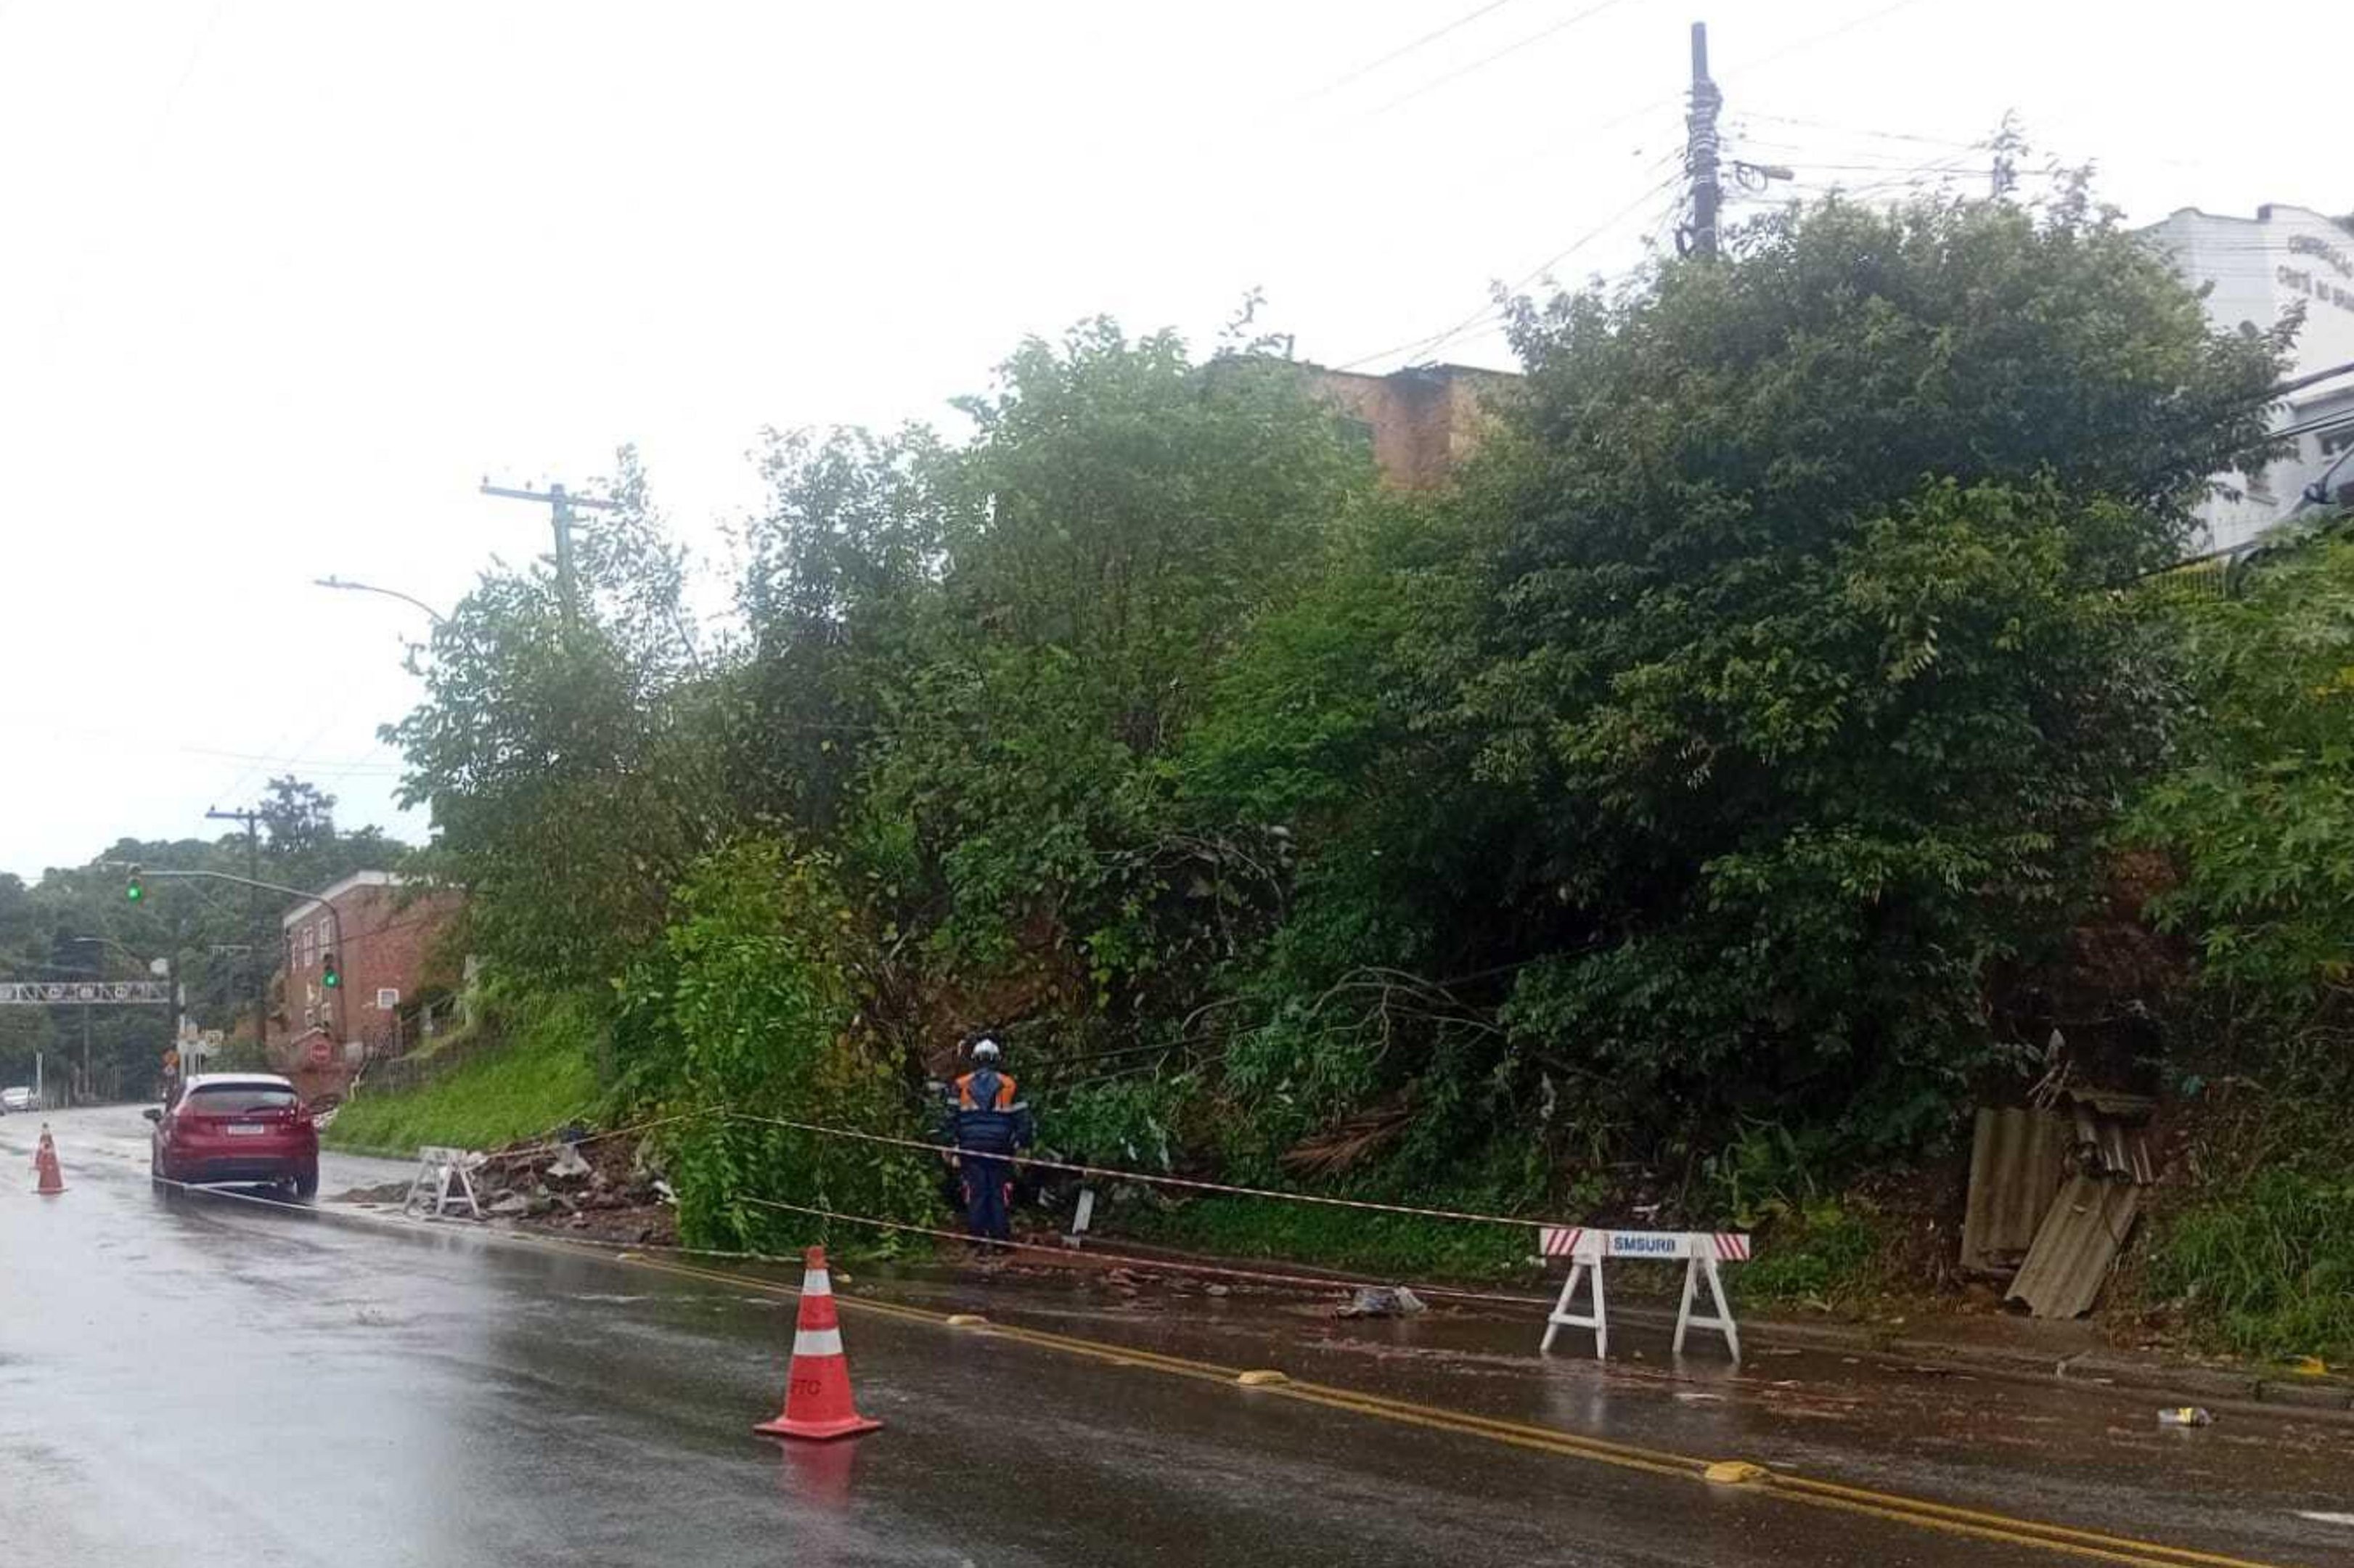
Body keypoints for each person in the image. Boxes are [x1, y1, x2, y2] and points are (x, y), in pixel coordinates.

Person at [941, 1037, 1033, 1246]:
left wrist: (949, 1146)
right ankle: (1000, 1240)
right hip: (1001, 1147)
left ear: (974, 1060)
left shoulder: (960, 1085)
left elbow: (949, 1119)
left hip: (970, 1147)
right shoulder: (1010, 1085)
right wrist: (1024, 1146)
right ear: (997, 1059)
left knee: (976, 1191)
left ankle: (976, 1239)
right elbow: (1024, 1120)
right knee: (999, 1192)